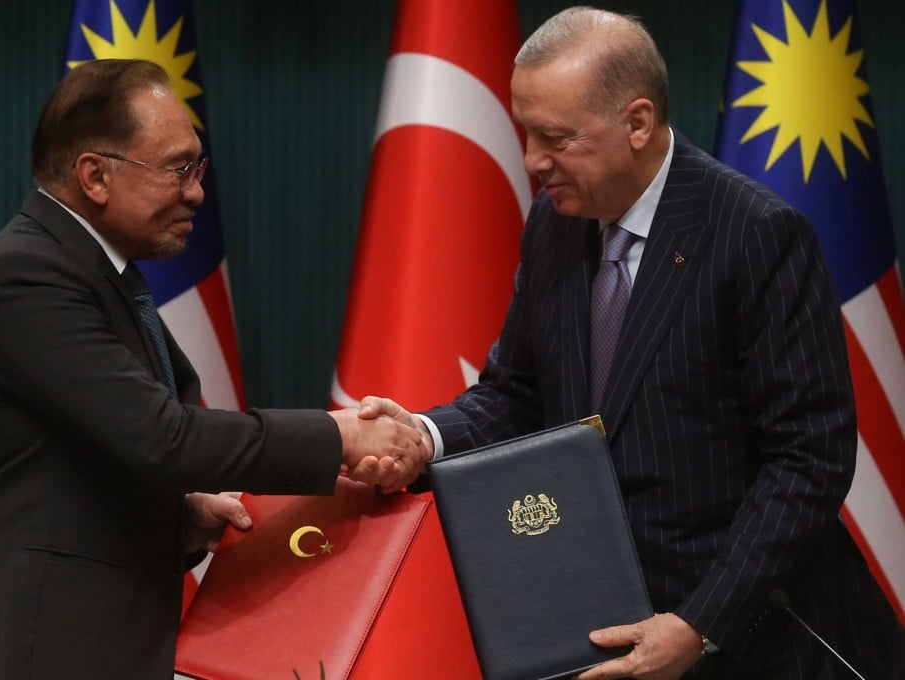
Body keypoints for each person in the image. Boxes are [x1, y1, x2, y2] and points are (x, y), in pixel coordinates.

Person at [362, 7, 905, 679]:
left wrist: (699, 624)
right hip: (602, 631)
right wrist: (420, 434)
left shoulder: (755, 234)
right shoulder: (556, 224)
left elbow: (808, 459)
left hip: (748, 642)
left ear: (638, 123)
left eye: (553, 137)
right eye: (526, 133)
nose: (532, 161)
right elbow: (518, 394)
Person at [0, 59, 424, 680]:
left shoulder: (100, 272)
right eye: (178, 168)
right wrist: (342, 435)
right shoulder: (27, 275)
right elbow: (160, 437)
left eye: (196, 168)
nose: (197, 191)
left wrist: (176, 517)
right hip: (22, 644)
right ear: (94, 175)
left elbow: (81, 459)